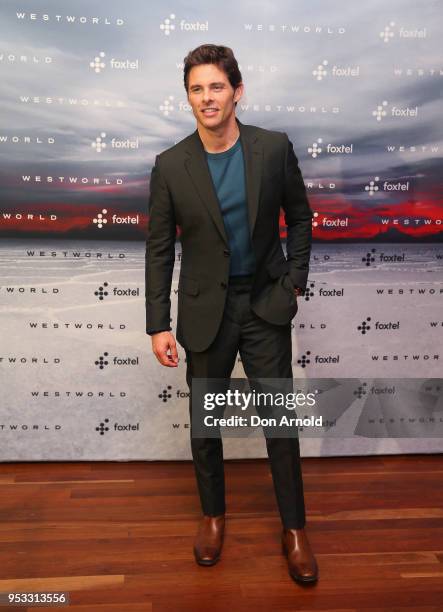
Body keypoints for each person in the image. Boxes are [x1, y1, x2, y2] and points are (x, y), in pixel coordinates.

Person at [145, 44, 318, 585]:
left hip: (265, 304)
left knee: (280, 424)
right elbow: (158, 249)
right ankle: (214, 518)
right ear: (188, 97)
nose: (206, 98)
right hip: (204, 313)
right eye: (196, 89)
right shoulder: (171, 165)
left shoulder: (273, 149)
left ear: (236, 92)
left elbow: (301, 217)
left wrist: (293, 282)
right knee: (206, 425)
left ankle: (294, 530)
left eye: (216, 87)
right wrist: (157, 323)